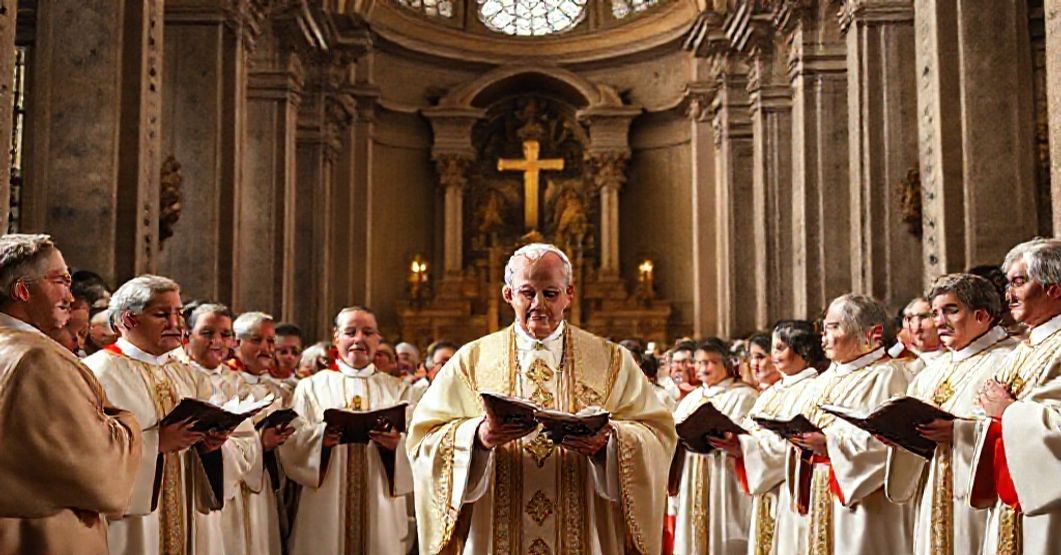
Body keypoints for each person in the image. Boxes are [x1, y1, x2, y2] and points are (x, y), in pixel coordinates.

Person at [408, 243, 676, 554]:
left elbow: (657, 434)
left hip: (585, 523)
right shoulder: (472, 360)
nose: (538, 304)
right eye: (527, 293)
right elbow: (424, 438)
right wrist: (478, 437)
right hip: (493, 527)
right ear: (508, 294)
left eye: (550, 293)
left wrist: (610, 443)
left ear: (569, 294)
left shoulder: (611, 360)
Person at [0, 234, 142, 554]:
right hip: (39, 537)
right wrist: (127, 423)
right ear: (22, 290)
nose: (70, 293)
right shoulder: (38, 358)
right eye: (61, 280)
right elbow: (99, 474)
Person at [84, 275, 227, 555]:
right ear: (127, 320)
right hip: (130, 524)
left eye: (179, 313)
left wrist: (210, 445)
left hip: (188, 514)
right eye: (162, 314)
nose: (176, 324)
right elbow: (85, 448)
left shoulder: (184, 373)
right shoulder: (96, 373)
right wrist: (154, 443)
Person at [883, 274, 1016, 555]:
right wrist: (898, 434)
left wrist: (960, 432)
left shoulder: (1007, 360)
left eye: (950, 310)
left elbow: (1017, 425)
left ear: (981, 315)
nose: (939, 321)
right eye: (935, 313)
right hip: (933, 490)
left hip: (978, 497)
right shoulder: (930, 373)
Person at [279, 306, 414, 554]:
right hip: (325, 506)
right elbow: (290, 442)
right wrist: (321, 440)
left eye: (367, 332)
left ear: (377, 339)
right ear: (336, 337)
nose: (359, 339)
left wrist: (399, 445)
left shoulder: (401, 391)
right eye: (350, 332)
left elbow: (421, 445)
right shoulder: (310, 387)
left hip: (381, 500)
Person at [788, 293, 912, 554]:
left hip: (863, 500)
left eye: (833, 327)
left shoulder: (889, 376)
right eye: (823, 329)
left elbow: (890, 440)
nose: (824, 337)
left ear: (871, 332)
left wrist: (830, 443)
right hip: (819, 486)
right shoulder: (824, 379)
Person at [971, 238, 1061, 553]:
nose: (1008, 295)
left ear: (1054, 289)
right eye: (1007, 284)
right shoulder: (1022, 350)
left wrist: (1009, 412)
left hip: (1049, 504)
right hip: (1009, 499)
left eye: (1019, 282)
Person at [724, 320, 824, 555]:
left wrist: (745, 447)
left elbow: (794, 443)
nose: (773, 355)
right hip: (767, 492)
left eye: (780, 348)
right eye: (773, 348)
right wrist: (737, 442)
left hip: (789, 491)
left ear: (803, 350)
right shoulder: (772, 392)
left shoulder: (812, 389)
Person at [672, 339, 759, 554]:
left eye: (710, 362)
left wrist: (734, 440)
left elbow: (752, 435)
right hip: (693, 470)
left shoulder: (744, 396)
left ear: (727, 364)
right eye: (700, 363)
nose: (703, 368)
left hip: (726, 473)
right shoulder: (692, 398)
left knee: (723, 532)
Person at [227, 311, 294, 554]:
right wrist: (259, 442)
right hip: (234, 486)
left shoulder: (279, 390)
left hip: (267, 482)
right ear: (236, 342)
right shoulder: (224, 383)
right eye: (256, 340)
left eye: (270, 341)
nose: (266, 348)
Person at [900, 297, 947, 376]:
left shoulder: (954, 357)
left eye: (924, 317)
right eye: (910, 319)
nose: (916, 327)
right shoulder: (899, 355)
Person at [273, 322, 303, 388]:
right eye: (283, 351)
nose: (289, 356)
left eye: (294, 352)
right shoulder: (258, 381)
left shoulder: (304, 383)